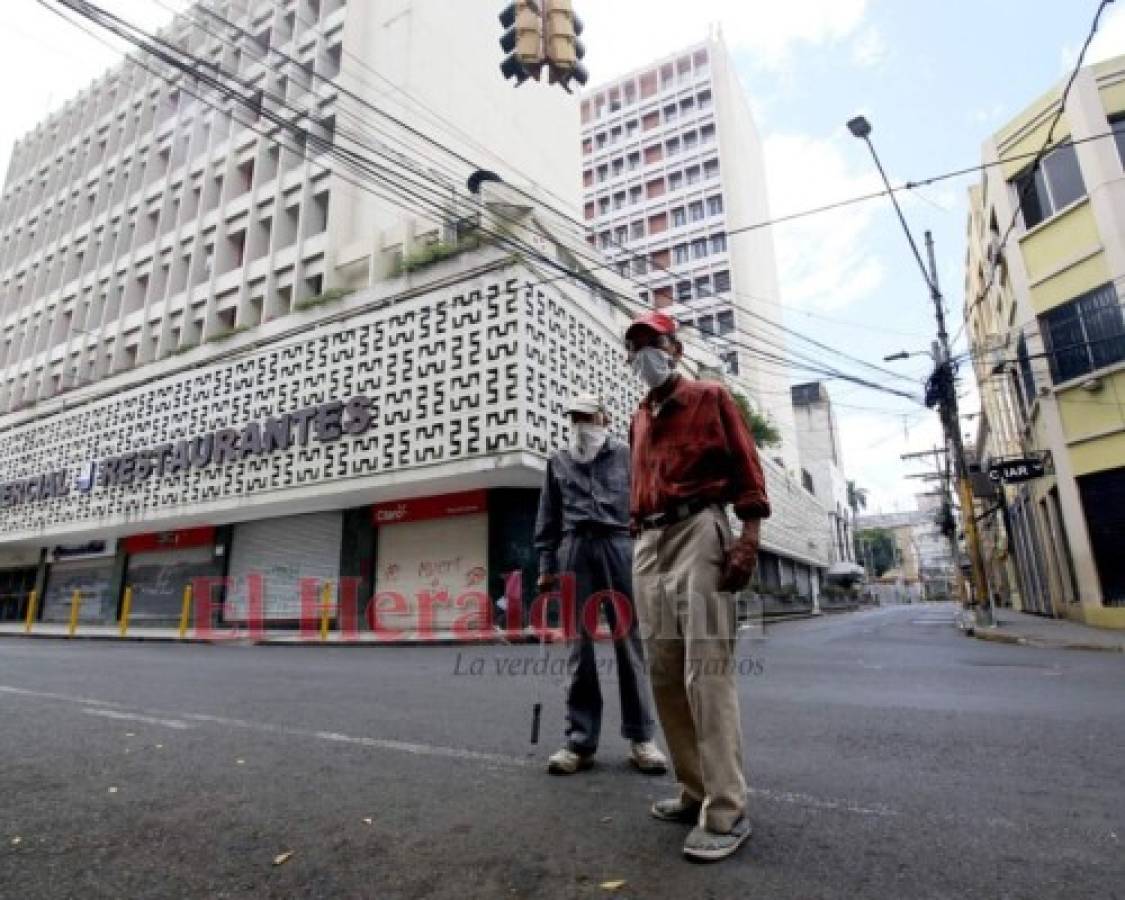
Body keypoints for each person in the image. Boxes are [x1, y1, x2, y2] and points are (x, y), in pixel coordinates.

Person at [624, 311, 770, 863]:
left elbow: (747, 471)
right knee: (663, 670)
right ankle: (694, 790)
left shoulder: (710, 397)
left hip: (698, 530)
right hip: (648, 542)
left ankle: (728, 809)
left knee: (705, 670)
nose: (644, 355)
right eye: (634, 347)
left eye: (653, 344)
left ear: (676, 348)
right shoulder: (637, 417)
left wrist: (747, 538)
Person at [533, 393, 668, 777]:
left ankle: (642, 739)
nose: (580, 425)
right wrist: (546, 565)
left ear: (604, 419)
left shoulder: (626, 455)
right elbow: (548, 519)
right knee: (579, 648)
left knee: (630, 643)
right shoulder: (557, 461)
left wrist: (651, 551)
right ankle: (579, 742)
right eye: (574, 418)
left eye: (587, 417)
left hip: (619, 544)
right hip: (574, 549)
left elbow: (648, 502)